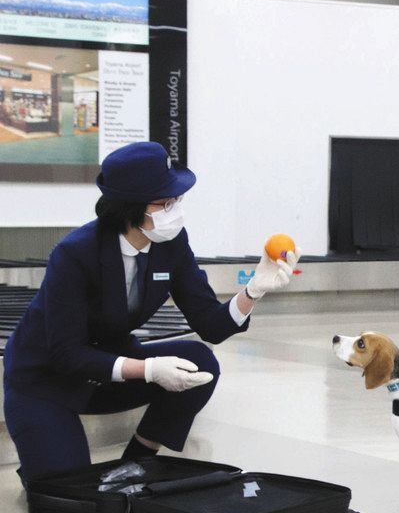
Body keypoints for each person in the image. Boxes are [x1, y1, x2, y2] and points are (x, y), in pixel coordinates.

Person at [3, 141, 300, 483]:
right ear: (130, 208)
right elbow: (66, 353)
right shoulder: (75, 254)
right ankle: (45, 454)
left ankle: (138, 461)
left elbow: (211, 325)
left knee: (199, 361)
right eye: (165, 202)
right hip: (45, 379)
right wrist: (148, 369)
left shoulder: (170, 244)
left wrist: (253, 290)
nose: (175, 209)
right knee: (68, 499)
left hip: (106, 370)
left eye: (177, 200)